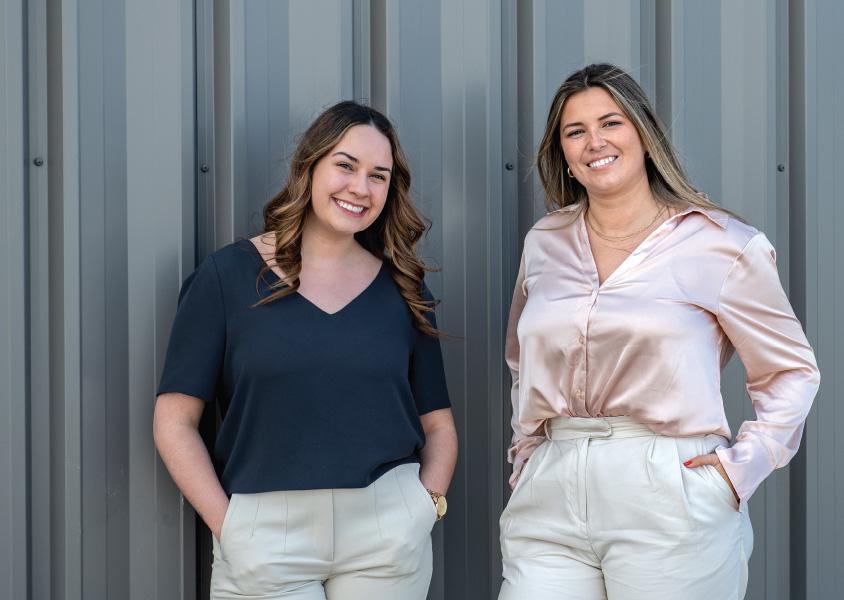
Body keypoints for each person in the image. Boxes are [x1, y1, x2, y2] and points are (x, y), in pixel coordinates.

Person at [499, 63, 819, 599]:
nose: (594, 142)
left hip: (668, 490)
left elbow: (790, 372)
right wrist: (528, 454)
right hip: (551, 489)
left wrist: (735, 473)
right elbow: (521, 359)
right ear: (564, 155)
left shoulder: (721, 243)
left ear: (644, 135)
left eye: (611, 123)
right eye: (574, 132)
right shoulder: (545, 241)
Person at [153, 100, 457, 600]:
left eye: (378, 176)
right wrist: (230, 527)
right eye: (345, 165)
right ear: (309, 166)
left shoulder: (403, 286)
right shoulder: (228, 276)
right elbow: (174, 420)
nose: (360, 187)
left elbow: (439, 425)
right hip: (266, 534)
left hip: (386, 531)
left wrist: (424, 507)